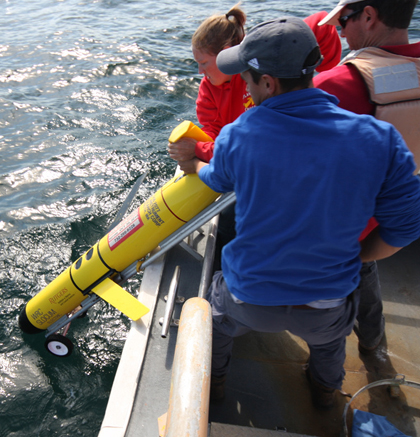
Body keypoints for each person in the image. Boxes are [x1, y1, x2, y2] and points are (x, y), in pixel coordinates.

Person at [177, 17, 420, 409]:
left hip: (249, 299)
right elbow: (405, 227)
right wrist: (356, 257)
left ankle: (217, 382)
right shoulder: (379, 138)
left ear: (268, 83)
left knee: (216, 318)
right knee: (330, 343)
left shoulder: (241, 134)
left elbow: (216, 179)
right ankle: (326, 392)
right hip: (325, 305)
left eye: (249, 79)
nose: (248, 89)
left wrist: (192, 166)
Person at [168, 6, 342, 261]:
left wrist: (324, 63)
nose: (200, 72)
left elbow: (320, 23)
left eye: (204, 63)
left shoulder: (261, 70)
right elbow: (218, 137)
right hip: (254, 160)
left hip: (267, 156)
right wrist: (201, 147)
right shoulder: (209, 90)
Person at [314, 0, 420, 354]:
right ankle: (374, 349)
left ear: (370, 16)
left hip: (332, 234)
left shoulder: (331, 85)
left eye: (344, 20)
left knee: (324, 320)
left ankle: (324, 379)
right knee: (366, 280)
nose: (340, 31)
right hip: (386, 227)